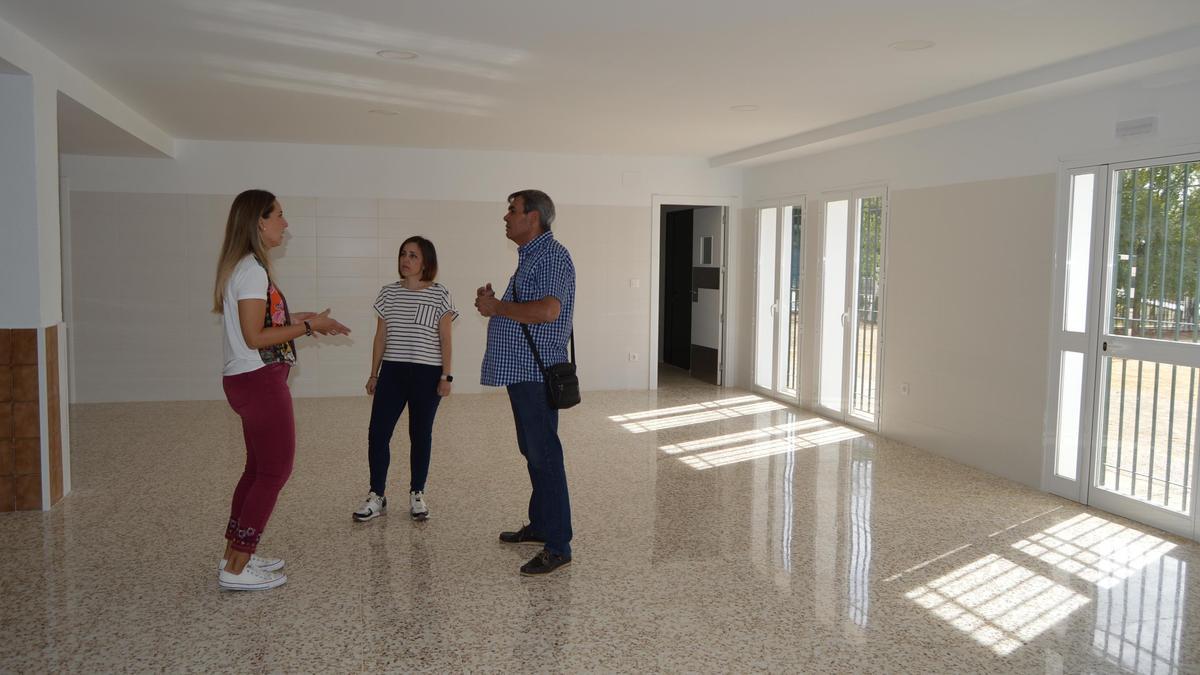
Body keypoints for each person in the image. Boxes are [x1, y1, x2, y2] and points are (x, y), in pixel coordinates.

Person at [212, 189, 350, 591]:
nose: (285, 225)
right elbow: (256, 336)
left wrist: (303, 317)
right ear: (259, 221)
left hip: (244, 378)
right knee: (275, 471)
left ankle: (236, 556)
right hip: (258, 379)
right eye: (280, 216)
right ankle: (236, 569)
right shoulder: (252, 271)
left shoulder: (243, 267)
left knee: (257, 469)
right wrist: (310, 328)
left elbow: (256, 323)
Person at [475, 189, 576, 576]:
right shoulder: (531, 256)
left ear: (533, 217)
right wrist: (495, 303)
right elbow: (530, 310)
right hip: (522, 373)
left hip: (535, 374)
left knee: (545, 455)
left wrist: (497, 307)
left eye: (512, 210)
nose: (506, 216)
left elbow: (549, 311)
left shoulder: (552, 255)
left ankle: (559, 545)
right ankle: (541, 524)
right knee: (533, 452)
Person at [353, 236, 457, 522]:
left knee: (420, 435)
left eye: (413, 255)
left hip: (427, 373)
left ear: (426, 262)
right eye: (403, 254)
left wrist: (446, 375)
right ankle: (377, 495)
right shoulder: (388, 293)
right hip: (393, 373)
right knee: (378, 433)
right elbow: (381, 336)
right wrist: (374, 373)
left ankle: (417, 493)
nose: (405, 260)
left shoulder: (440, 294)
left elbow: (445, 338)